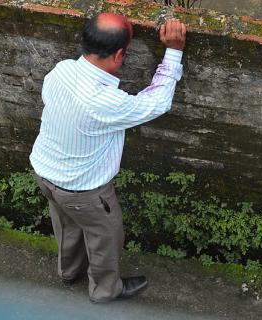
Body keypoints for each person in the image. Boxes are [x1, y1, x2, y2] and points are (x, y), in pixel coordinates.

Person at [30, 12, 186, 303]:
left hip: (45, 172)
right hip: (84, 190)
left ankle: (68, 272)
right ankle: (105, 290)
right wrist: (174, 51)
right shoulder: (104, 102)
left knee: (66, 225)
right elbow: (156, 102)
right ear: (118, 55)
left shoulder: (61, 70)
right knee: (105, 237)